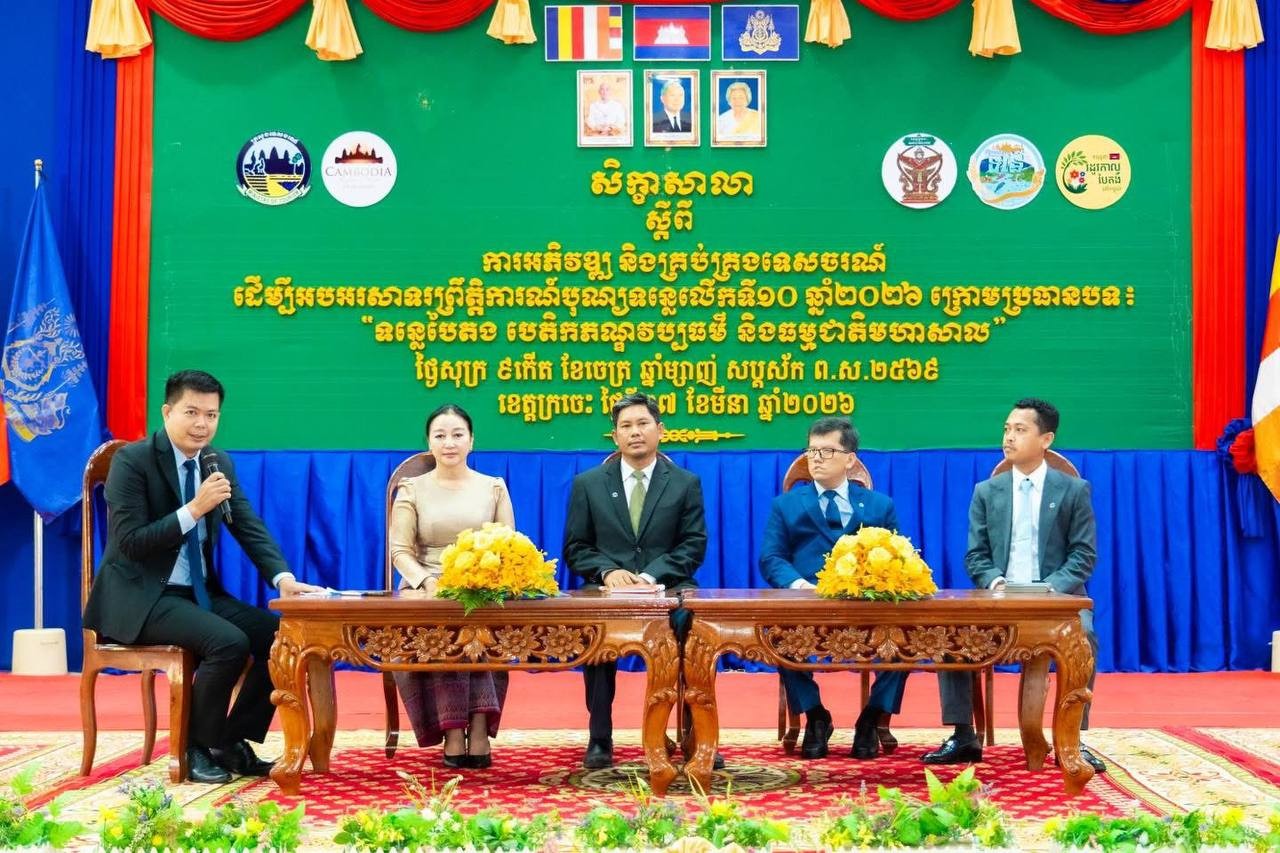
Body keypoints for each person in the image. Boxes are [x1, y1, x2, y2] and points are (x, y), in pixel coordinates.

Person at [82, 370, 325, 784]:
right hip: (141, 597)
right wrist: (194, 509)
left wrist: (282, 578)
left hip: (196, 593)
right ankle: (192, 748)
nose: (202, 424)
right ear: (167, 412)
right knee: (227, 642)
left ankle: (229, 742)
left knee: (280, 637)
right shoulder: (133, 461)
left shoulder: (216, 462)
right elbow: (131, 543)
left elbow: (246, 524)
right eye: (191, 412)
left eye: (211, 415)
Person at [922, 398, 1105, 774]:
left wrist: (1051, 590)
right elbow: (976, 556)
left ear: (1046, 439)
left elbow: (1083, 555)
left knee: (1084, 636)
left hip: (1055, 600)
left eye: (1020, 430)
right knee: (950, 631)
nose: (1009, 437)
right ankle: (963, 735)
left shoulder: (1073, 491)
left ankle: (1073, 737)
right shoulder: (987, 491)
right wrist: (996, 582)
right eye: (1007, 429)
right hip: (999, 597)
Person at [563, 393, 707, 769]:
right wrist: (609, 572)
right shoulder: (588, 484)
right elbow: (576, 547)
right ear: (615, 436)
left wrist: (649, 575)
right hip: (609, 591)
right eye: (625, 426)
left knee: (695, 632)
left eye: (643, 424)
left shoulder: (685, 483)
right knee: (596, 631)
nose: (635, 432)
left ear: (660, 430)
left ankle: (696, 735)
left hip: (668, 588)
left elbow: (693, 545)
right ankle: (599, 736)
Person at [759, 417, 909, 760]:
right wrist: (800, 586)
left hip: (865, 606)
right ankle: (815, 716)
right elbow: (771, 558)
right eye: (811, 450)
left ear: (850, 459)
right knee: (777, 635)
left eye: (827, 451)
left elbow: (899, 556)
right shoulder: (785, 505)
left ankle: (872, 717)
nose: (816, 458)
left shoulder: (878, 505)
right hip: (806, 604)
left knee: (906, 638)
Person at [389, 404, 514, 769]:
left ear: (471, 441)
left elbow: (507, 545)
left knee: (481, 628)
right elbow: (400, 551)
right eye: (440, 435)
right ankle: (454, 729)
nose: (449, 443)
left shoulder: (493, 487)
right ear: (429, 442)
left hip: (482, 587)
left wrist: (484, 580)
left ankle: (479, 726)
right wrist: (428, 581)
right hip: (424, 586)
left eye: (458, 435)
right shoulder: (412, 489)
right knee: (445, 628)